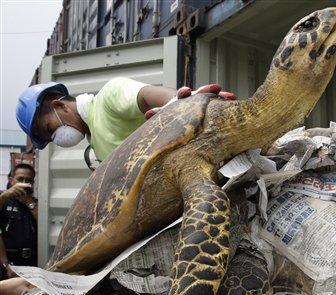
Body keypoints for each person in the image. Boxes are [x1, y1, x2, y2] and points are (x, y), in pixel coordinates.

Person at [16, 79, 236, 161]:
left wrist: (187, 101)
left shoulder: (109, 97)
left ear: (59, 106)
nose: (56, 138)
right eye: (50, 138)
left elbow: (150, 95)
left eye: (49, 128)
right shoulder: (94, 148)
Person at [0, 163, 38, 280]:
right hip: (7, 265)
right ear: (11, 181)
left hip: (32, 264)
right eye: (20, 179)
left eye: (29, 180)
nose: (25, 183)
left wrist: (29, 202)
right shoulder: (4, 201)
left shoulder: (35, 204)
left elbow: (45, 227)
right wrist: (6, 195)